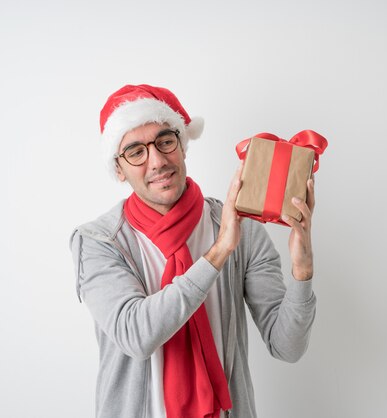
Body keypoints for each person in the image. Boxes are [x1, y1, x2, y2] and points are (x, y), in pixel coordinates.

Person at [70, 84, 317, 418]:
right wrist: (218, 253)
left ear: (183, 145)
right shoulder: (98, 241)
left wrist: (302, 273)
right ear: (118, 168)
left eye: (165, 141)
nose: (157, 161)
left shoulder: (243, 228)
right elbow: (136, 335)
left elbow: (286, 346)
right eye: (135, 152)